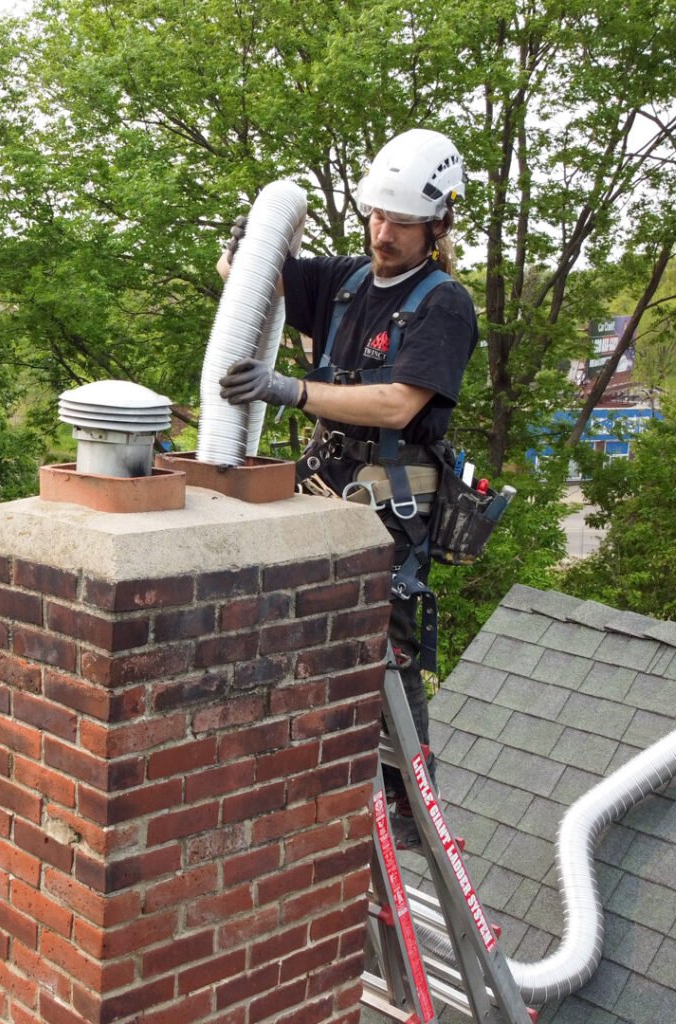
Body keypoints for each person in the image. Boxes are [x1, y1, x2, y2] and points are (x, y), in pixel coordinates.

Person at [216, 128, 478, 847]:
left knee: (386, 640)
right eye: (376, 216)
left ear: (438, 224)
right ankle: (314, 753)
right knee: (304, 611)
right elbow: (254, 282)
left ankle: (409, 804)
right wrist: (244, 248)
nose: (383, 232)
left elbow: (399, 403)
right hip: (327, 475)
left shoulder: (441, 305)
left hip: (392, 489)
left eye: (400, 222)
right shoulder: (348, 280)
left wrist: (287, 389)